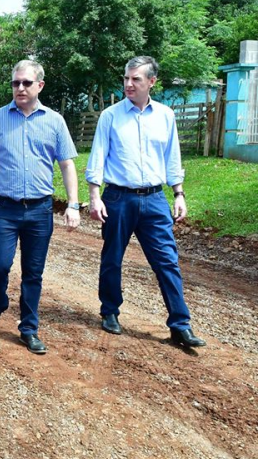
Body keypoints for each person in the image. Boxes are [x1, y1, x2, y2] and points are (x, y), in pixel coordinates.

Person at [86, 56, 205, 348]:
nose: (128, 84)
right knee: (112, 258)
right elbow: (97, 157)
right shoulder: (110, 116)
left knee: (167, 261)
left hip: (154, 199)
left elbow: (172, 158)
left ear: (151, 82)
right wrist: (94, 196)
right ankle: (110, 311)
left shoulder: (165, 116)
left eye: (135, 79)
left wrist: (179, 193)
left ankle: (180, 324)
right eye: (126, 78)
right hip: (117, 198)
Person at [0, 60, 80, 355]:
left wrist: (73, 204)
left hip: (40, 211)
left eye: (26, 83)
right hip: (4, 208)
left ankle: (29, 328)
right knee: (0, 264)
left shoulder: (55, 121)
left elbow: (67, 164)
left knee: (33, 272)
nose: (20, 87)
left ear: (40, 85)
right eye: (16, 83)